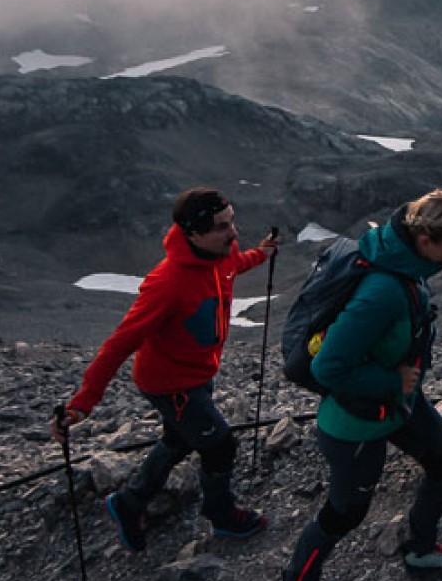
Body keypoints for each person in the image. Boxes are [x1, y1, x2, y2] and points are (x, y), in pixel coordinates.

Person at [278, 191, 442, 581]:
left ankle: (420, 549)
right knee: (346, 510)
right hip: (356, 420)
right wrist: (392, 380)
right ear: (424, 240)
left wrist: (400, 386)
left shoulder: (404, 265)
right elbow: (330, 366)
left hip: (399, 404)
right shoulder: (383, 291)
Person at [54, 188, 279, 551]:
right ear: (193, 233)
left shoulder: (218, 253)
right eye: (222, 227)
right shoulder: (168, 283)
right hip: (171, 384)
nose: (234, 233)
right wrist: (82, 403)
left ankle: (129, 503)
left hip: (197, 374)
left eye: (232, 221)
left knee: (179, 439)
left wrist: (262, 254)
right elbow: (119, 343)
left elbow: (231, 266)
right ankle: (222, 516)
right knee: (220, 445)